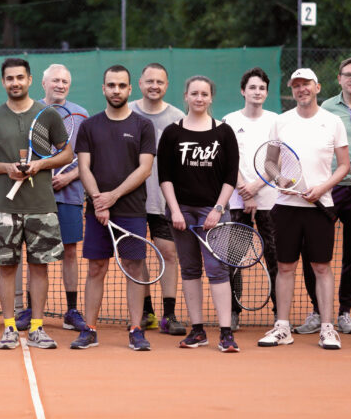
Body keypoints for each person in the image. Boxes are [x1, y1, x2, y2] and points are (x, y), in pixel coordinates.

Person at [0, 57, 72, 350]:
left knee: (40, 267)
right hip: (5, 206)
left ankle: (38, 327)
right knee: (7, 267)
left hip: (42, 206)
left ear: (29, 80)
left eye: (20, 77)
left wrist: (41, 165)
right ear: (3, 82)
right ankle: (9, 328)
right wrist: (6, 168)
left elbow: (66, 154)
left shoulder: (48, 115)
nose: (15, 82)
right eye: (9, 78)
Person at [258, 68, 349, 350]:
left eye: (306, 84)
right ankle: (282, 327)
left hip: (320, 206)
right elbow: (269, 163)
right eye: (296, 86)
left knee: (321, 267)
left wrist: (322, 188)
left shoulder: (333, 122)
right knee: (285, 267)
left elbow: (345, 165)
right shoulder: (281, 122)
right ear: (292, 90)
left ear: (317, 87)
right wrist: (279, 178)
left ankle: (327, 328)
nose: (301, 89)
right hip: (286, 206)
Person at [71, 64, 156, 351]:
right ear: (103, 88)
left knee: (134, 268)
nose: (116, 90)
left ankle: (135, 329)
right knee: (96, 269)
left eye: (122, 85)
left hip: (132, 211)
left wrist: (112, 197)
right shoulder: (89, 126)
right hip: (97, 213)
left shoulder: (143, 126)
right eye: (111, 85)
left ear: (130, 89)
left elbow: (144, 169)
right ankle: (90, 329)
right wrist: (98, 200)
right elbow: (84, 167)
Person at [295, 57, 351, 336]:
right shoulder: (325, 108)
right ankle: (318, 311)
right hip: (326, 189)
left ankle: (344, 312)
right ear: (339, 78)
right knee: (313, 251)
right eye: (347, 74)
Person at [158, 75, 240, 352]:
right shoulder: (172, 132)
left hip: (213, 212)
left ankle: (226, 333)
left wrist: (218, 209)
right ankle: (197, 331)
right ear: (186, 96)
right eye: (194, 93)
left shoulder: (224, 132)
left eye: (204, 94)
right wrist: (175, 210)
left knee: (218, 271)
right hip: (182, 214)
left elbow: (230, 176)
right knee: (190, 270)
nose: (199, 98)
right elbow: (165, 176)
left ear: (211, 98)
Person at [15, 63, 88, 333]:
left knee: (70, 252)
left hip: (69, 195)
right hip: (35, 194)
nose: (60, 85)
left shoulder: (81, 114)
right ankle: (33, 310)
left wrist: (69, 177)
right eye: (55, 80)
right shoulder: (28, 110)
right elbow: (24, 152)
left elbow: (87, 159)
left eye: (65, 81)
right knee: (35, 253)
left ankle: (71, 310)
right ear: (43, 84)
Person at [129, 63, 186, 336]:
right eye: (149, 81)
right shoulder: (126, 112)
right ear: (140, 84)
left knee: (169, 254)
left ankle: (170, 314)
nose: (154, 85)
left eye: (160, 82)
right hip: (132, 202)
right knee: (137, 257)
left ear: (166, 85)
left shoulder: (178, 117)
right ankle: (146, 311)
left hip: (164, 202)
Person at [223, 67, 278, 330]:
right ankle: (233, 312)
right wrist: (244, 189)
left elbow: (276, 164)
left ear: (266, 93)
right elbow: (227, 161)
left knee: (276, 258)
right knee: (233, 260)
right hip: (235, 201)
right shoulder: (229, 121)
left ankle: (281, 315)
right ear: (243, 91)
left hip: (270, 201)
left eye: (262, 88)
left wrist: (256, 187)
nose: (257, 92)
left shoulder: (276, 122)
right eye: (253, 87)